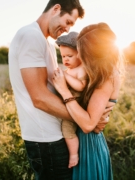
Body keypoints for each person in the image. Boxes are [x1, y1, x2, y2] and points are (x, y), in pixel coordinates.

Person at [8, 0, 110, 179]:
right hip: (46, 139)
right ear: (56, 9)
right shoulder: (30, 36)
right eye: (68, 22)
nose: (68, 29)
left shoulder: (46, 42)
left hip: (55, 134)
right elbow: (39, 97)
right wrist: (87, 120)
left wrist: (91, 116)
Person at [53, 22, 125, 180]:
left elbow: (87, 125)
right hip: (83, 142)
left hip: (89, 145)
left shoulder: (107, 76)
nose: (80, 57)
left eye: (83, 52)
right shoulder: (96, 73)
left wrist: (64, 91)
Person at [55, 31, 88, 168]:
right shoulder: (70, 70)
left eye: (70, 56)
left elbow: (80, 86)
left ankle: (74, 154)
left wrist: (65, 76)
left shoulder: (81, 69)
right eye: (63, 56)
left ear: (80, 55)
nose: (66, 60)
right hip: (67, 105)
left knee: (67, 130)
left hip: (75, 107)